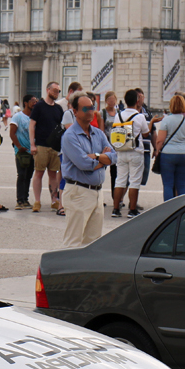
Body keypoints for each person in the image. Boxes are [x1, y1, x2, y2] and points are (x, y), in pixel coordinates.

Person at [60, 92, 117, 248]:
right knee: (74, 241)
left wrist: (96, 157)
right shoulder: (70, 136)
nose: (91, 111)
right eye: (86, 109)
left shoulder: (98, 133)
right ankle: (69, 272)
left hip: (97, 193)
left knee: (93, 242)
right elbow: (84, 164)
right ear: (75, 111)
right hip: (79, 192)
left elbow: (114, 157)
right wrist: (102, 158)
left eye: (92, 107)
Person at [111, 89, 148, 218]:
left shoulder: (118, 115)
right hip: (135, 151)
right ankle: (132, 209)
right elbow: (145, 132)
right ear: (137, 101)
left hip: (121, 150)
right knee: (134, 181)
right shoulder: (140, 116)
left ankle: (116, 209)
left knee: (120, 180)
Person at [153, 94, 185, 202]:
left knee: (168, 184)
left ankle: (168, 209)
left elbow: (160, 140)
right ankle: (182, 207)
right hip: (184, 154)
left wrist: (157, 150)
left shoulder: (166, 121)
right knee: (181, 184)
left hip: (168, 154)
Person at [29, 81, 62, 212]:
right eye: (54, 90)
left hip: (55, 146)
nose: (56, 93)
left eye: (58, 91)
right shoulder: (39, 106)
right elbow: (32, 125)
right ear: (48, 90)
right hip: (41, 145)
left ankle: (54, 200)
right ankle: (37, 201)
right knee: (39, 172)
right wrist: (32, 144)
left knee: (53, 174)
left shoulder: (58, 108)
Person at [9, 95, 36, 209]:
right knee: (21, 175)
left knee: (29, 176)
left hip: (32, 151)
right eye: (33, 101)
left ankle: (25, 198)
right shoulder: (18, 117)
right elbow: (12, 133)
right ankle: (19, 200)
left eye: (36, 101)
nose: (35, 103)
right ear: (26, 102)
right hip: (22, 151)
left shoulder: (35, 118)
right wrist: (19, 146)